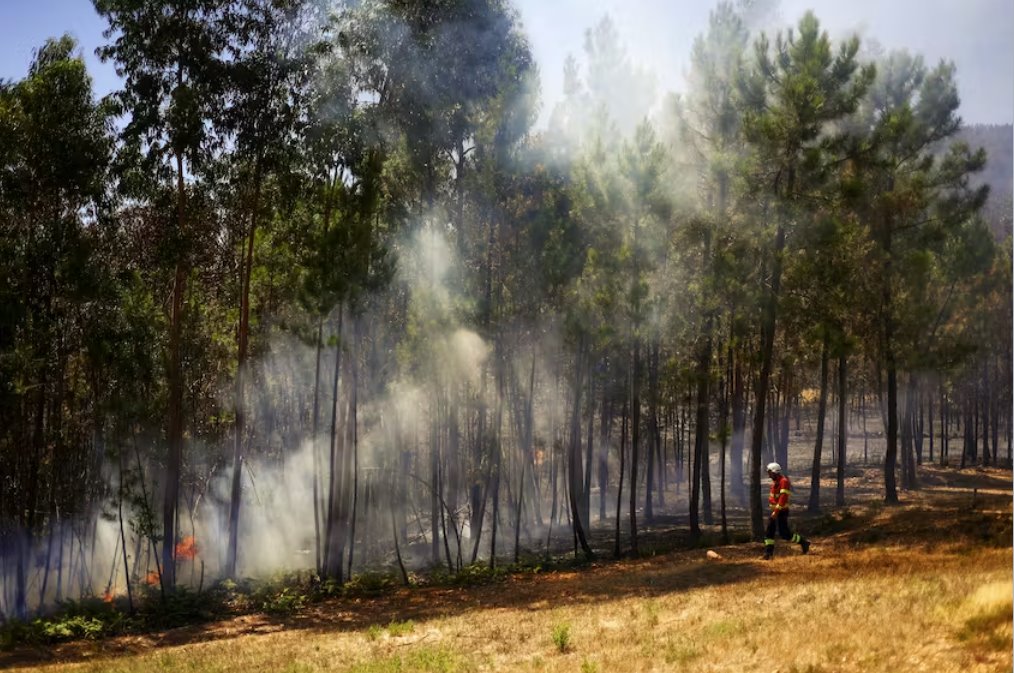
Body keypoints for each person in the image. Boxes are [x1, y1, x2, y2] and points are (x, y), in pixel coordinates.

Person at [763, 462, 810, 560]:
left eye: (770, 473)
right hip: (774, 511)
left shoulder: (784, 481)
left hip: (781, 512)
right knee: (769, 532)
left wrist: (776, 511)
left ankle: (803, 542)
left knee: (785, 534)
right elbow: (772, 498)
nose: (769, 475)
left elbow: (783, 498)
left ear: (775, 472)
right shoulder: (774, 483)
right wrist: (773, 510)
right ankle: (768, 554)